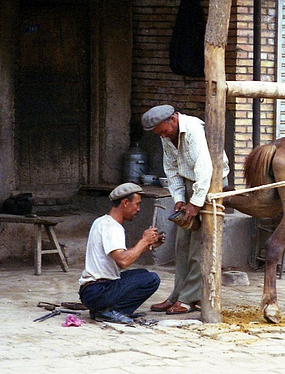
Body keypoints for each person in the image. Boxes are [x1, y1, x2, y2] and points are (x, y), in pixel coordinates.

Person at [141, 104, 229, 315]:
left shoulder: (193, 130)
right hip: (190, 184)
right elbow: (171, 169)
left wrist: (196, 203)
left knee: (199, 247)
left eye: (164, 131)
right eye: (158, 135)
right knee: (181, 246)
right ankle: (177, 295)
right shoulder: (166, 137)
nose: (162, 136)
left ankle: (189, 299)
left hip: (210, 183)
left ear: (172, 119)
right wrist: (180, 199)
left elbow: (205, 169)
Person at [79, 183, 162, 324]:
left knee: (142, 274)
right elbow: (123, 261)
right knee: (151, 279)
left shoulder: (102, 221)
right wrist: (144, 241)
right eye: (137, 204)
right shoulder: (112, 227)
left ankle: (108, 309)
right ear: (125, 203)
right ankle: (110, 311)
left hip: (93, 290)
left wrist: (148, 244)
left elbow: (122, 255)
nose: (138, 209)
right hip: (97, 291)